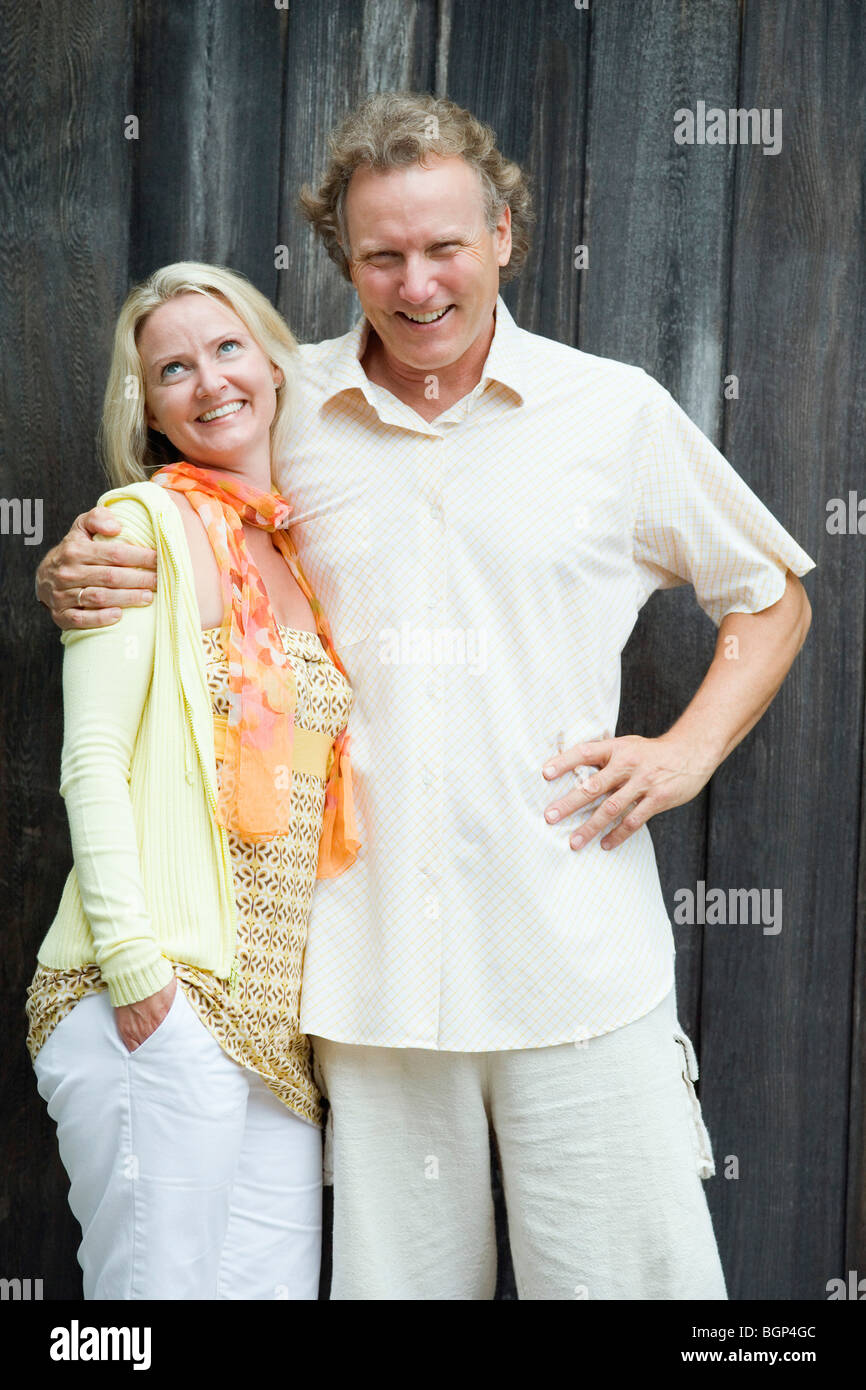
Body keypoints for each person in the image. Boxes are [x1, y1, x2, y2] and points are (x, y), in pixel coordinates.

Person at [37, 92, 816, 1301]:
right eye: (381, 255)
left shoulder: (609, 414)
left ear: (504, 233)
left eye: (444, 246)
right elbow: (168, 519)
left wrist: (685, 751)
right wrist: (73, 564)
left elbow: (767, 597)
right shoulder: (275, 406)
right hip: (366, 982)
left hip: (575, 960)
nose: (416, 285)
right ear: (343, 258)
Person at [27, 261, 359, 1300]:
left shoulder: (297, 549)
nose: (210, 381)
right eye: (174, 367)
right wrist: (137, 971)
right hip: (155, 991)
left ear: (269, 360)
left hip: (273, 1023)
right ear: (150, 406)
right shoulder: (137, 530)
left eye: (226, 349)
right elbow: (92, 758)